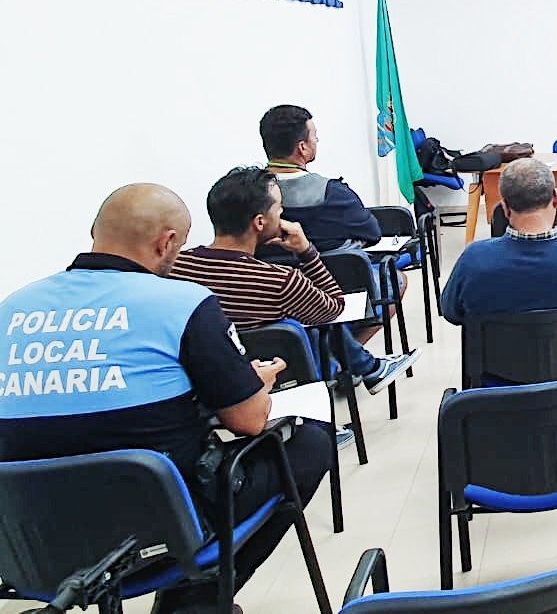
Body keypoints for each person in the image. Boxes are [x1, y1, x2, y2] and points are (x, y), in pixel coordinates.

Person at [0, 184, 329, 614]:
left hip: (28, 544)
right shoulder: (182, 303)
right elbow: (249, 420)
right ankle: (197, 599)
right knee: (310, 444)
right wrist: (253, 384)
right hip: (158, 533)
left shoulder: (12, 308)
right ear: (167, 242)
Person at [171, 167, 416, 395]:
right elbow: (334, 310)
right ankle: (367, 369)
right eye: (279, 208)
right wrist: (307, 252)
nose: (283, 214)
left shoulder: (175, 268)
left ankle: (369, 368)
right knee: (305, 321)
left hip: (203, 387)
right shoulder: (280, 281)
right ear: (260, 222)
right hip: (276, 384)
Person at [442, 157, 557, 323]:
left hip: (499, 358)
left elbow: (451, 312)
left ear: (504, 207)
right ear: (556, 199)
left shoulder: (473, 260)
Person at [259, 104, 381, 253]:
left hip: (265, 275)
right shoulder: (336, 195)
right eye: (314, 136)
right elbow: (373, 233)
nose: (317, 140)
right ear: (302, 147)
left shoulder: (242, 196)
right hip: (332, 275)